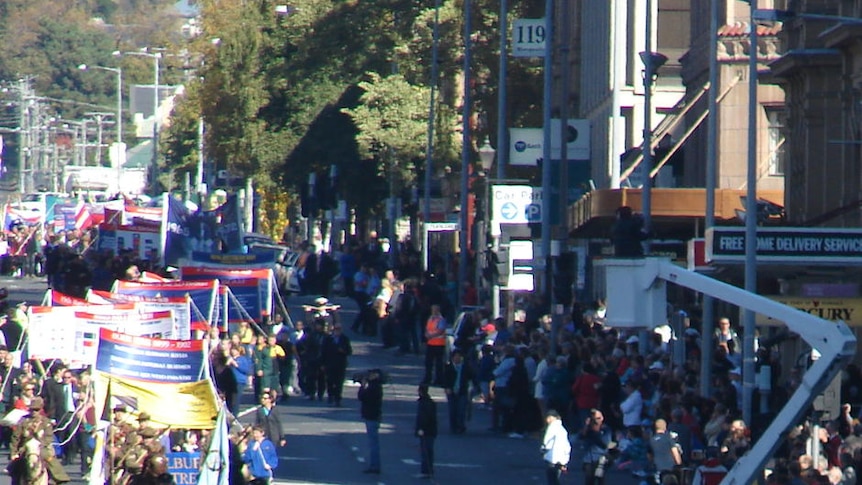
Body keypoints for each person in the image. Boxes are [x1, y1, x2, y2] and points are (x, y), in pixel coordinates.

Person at [10, 397, 71, 484]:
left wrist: (41, 443)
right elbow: (16, 437)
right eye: (32, 410)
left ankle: (58, 477)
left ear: (40, 409)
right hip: (25, 446)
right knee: (17, 463)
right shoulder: (23, 421)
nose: (34, 412)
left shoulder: (45, 422)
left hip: (42, 446)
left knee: (48, 457)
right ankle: (15, 478)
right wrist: (13, 452)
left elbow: (49, 437)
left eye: (37, 410)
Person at [358, 369, 383, 474]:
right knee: (373, 442)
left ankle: (375, 465)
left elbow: (362, 397)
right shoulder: (376, 386)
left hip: (371, 416)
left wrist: (362, 386)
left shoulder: (374, 387)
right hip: (373, 416)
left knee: (373, 443)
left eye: (371, 374)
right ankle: (374, 464)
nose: (369, 376)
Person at [442, 349, 473, 434]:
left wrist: (471, 387)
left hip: (462, 391)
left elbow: (471, 377)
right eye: (456, 356)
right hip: (451, 391)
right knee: (452, 410)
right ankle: (453, 426)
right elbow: (444, 379)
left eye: (459, 357)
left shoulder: (466, 367)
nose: (457, 358)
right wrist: (446, 388)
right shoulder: (448, 367)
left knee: (462, 409)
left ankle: (461, 426)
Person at [321, 323, 352, 407]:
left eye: (339, 329)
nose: (337, 331)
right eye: (335, 329)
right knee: (330, 381)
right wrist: (323, 364)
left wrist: (343, 351)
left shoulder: (344, 339)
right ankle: (330, 395)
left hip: (340, 365)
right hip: (329, 364)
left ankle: (338, 398)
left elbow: (349, 351)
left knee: (339, 382)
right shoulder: (328, 339)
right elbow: (323, 352)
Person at [580, 408, 612, 485]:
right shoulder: (588, 429)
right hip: (588, 458)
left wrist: (596, 431)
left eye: (598, 418)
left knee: (599, 479)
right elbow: (581, 436)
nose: (596, 421)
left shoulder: (605, 429)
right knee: (589, 481)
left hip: (600, 458)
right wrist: (586, 426)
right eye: (594, 419)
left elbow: (605, 443)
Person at [541, 410, 571, 485]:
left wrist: (543, 450)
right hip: (561, 459)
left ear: (552, 418)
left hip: (552, 458)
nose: (547, 420)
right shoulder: (562, 429)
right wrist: (565, 460)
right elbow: (567, 446)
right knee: (556, 479)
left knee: (552, 479)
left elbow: (547, 442)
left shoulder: (552, 427)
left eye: (548, 418)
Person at [414, 383, 437, 479]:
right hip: (432, 430)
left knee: (426, 451)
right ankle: (429, 470)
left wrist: (420, 429)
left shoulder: (424, 403)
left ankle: (426, 471)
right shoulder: (430, 402)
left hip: (426, 430)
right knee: (429, 450)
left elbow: (423, 418)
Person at [650, 418, 683, 483]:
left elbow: (650, 455)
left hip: (658, 469)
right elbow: (675, 451)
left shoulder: (651, 440)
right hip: (670, 469)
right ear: (665, 427)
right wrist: (679, 464)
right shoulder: (668, 438)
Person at [423, 305, 447, 386]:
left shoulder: (441, 319)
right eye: (432, 310)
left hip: (439, 344)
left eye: (434, 310)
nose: (433, 311)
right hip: (430, 344)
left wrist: (430, 336)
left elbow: (440, 331)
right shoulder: (430, 318)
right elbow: (427, 328)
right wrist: (426, 334)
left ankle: (439, 380)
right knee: (428, 363)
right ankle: (428, 378)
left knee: (438, 364)